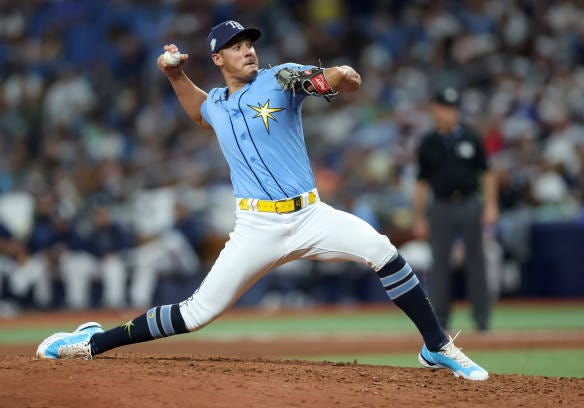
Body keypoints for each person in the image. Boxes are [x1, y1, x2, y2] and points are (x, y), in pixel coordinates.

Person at [36, 20, 488, 381]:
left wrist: (340, 77)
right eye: (235, 45)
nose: (248, 49)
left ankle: (437, 346)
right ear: (217, 58)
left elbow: (318, 81)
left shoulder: (278, 78)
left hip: (311, 215)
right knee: (196, 314)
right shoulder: (216, 102)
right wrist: (176, 75)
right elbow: (198, 111)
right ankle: (93, 342)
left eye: (249, 42)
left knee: (384, 251)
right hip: (256, 228)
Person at [412, 87, 499, 332]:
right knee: (440, 264)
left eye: (452, 108)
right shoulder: (428, 143)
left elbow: (487, 173)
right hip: (440, 205)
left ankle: (482, 321)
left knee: (476, 262)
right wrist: (418, 217)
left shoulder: (471, 137)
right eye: (443, 107)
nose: (448, 113)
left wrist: (491, 205)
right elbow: (421, 183)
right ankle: (441, 322)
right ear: (434, 109)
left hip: (470, 203)